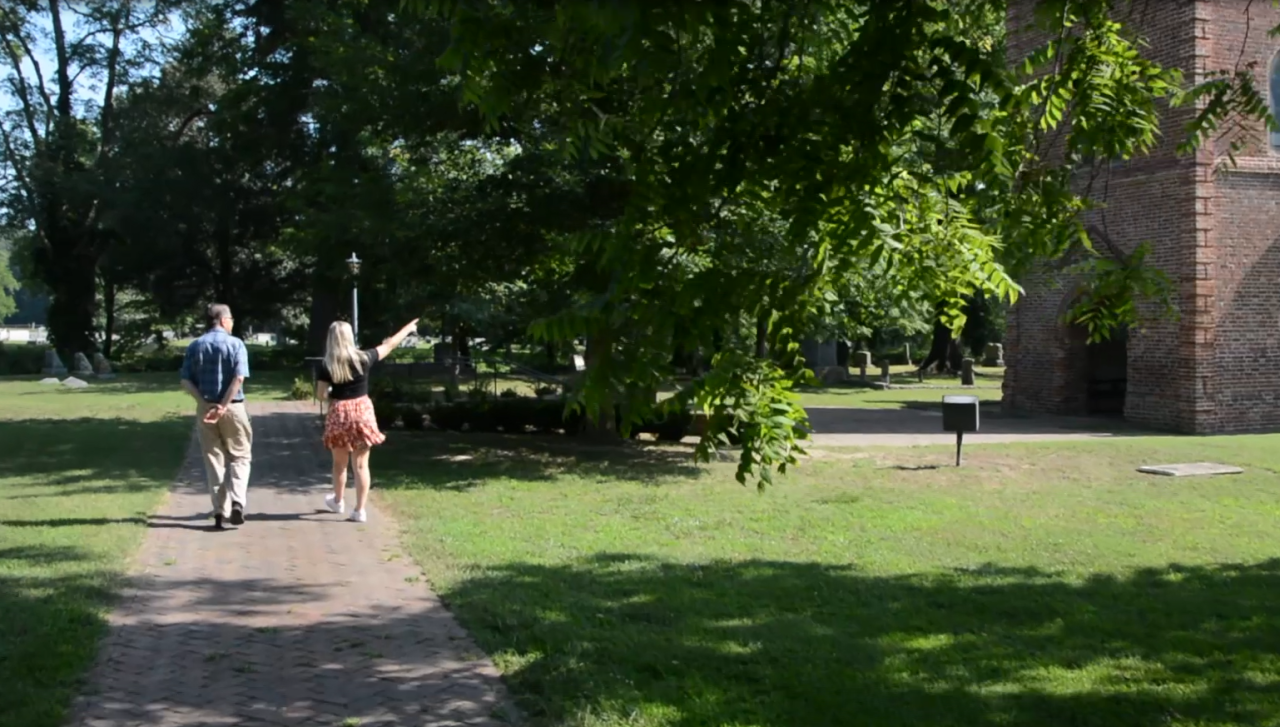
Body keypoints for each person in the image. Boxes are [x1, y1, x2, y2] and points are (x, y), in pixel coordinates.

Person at [315, 317, 418, 523]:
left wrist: (333, 391)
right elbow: (389, 344)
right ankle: (360, 510)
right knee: (361, 465)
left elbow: (321, 395)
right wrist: (408, 328)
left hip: (339, 413)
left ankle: (338, 501)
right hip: (362, 411)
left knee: (339, 464)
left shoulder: (326, 365)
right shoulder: (364, 358)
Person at [180, 303, 253, 530]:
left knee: (214, 460)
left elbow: (185, 380)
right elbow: (239, 378)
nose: (232, 323)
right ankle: (238, 501)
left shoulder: (195, 346)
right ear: (222, 320)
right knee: (240, 456)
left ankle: (220, 511)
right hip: (233, 407)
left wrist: (204, 403)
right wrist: (223, 405)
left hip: (206, 408)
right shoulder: (236, 344)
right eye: (230, 318)